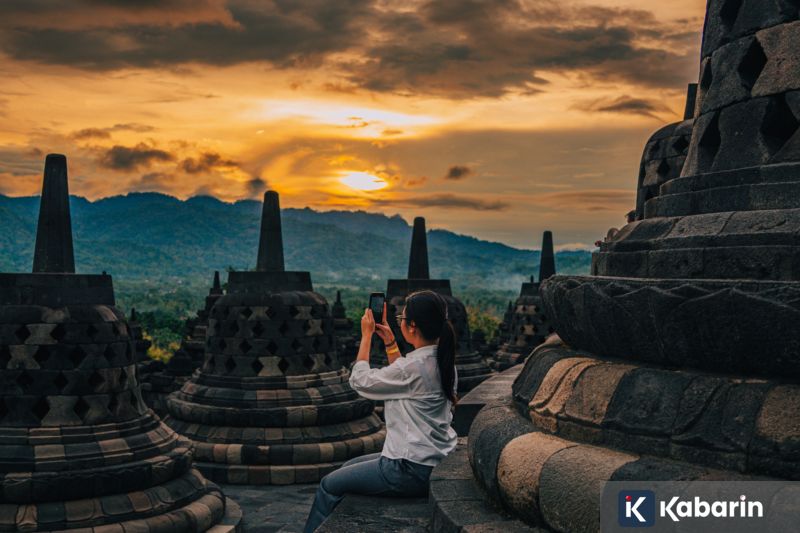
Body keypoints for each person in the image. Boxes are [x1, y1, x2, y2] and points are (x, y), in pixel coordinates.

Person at [303, 290, 459, 532]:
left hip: (408, 469)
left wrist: (366, 337)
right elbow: (405, 379)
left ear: (413, 326)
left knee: (328, 485)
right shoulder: (444, 363)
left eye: (402, 319)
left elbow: (360, 382)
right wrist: (390, 342)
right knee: (347, 468)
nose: (400, 323)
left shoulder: (414, 368)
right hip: (433, 458)